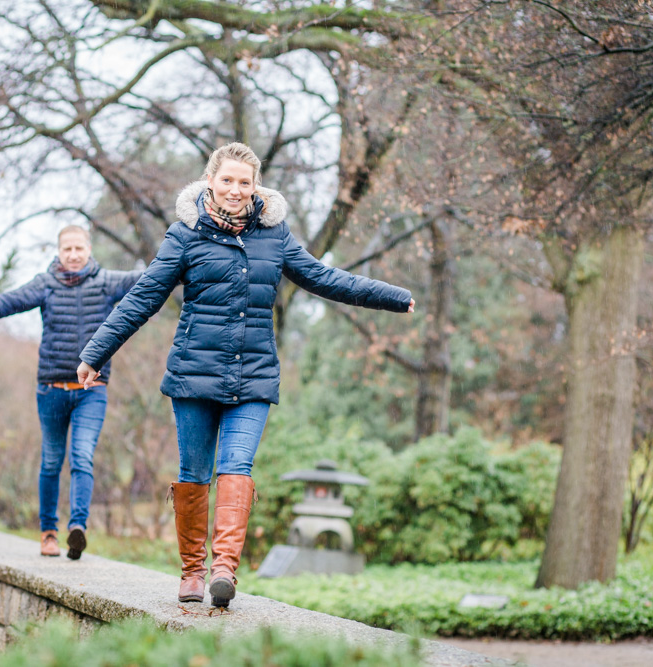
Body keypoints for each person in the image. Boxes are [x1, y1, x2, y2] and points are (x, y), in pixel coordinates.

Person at [76, 143, 415, 608]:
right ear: (210, 181)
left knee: (237, 467)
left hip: (252, 377)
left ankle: (223, 572)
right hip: (194, 376)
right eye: (228, 180)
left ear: (257, 187)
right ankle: (192, 571)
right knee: (194, 473)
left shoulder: (275, 236)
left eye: (245, 182)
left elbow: (325, 277)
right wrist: (95, 353)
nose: (236, 190)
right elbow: (142, 298)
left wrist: (391, 296)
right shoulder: (185, 235)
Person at [0, 225, 141, 560]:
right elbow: (0, 305)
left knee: (82, 457)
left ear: (89, 249)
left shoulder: (108, 282)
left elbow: (154, 277)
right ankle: (48, 533)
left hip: (92, 389)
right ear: (58, 253)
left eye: (79, 248)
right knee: (50, 460)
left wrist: (192, 258)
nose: (73, 255)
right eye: (67, 250)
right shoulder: (44, 285)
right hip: (51, 390)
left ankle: (78, 528)